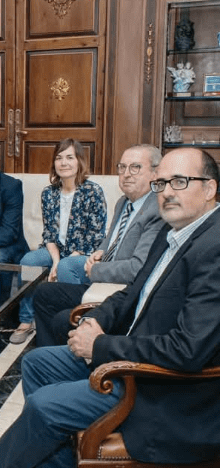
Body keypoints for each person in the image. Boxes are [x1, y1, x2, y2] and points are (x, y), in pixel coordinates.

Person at [0, 147, 220, 468]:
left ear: (209, 188)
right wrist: (94, 320)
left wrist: (100, 346)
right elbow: (132, 294)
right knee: (37, 362)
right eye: (161, 183)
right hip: (135, 362)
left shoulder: (213, 248)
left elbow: (188, 350)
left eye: (179, 182)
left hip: (162, 389)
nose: (166, 192)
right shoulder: (174, 232)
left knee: (45, 405)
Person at [34, 145, 164, 347]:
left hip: (123, 290)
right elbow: (110, 239)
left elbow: (138, 268)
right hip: (105, 272)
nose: (126, 174)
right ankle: (47, 353)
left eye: (135, 167)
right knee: (43, 292)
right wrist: (100, 252)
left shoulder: (157, 210)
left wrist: (96, 269)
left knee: (61, 317)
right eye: (122, 167)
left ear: (156, 173)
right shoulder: (124, 202)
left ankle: (60, 353)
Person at [11, 138, 106, 344]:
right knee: (29, 261)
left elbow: (95, 235)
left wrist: (64, 261)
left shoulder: (93, 191)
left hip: (85, 252)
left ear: (79, 161)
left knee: (66, 266)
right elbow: (49, 234)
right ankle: (26, 320)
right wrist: (55, 261)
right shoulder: (49, 193)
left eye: (69, 157)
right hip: (56, 249)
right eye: (59, 158)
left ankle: (69, 323)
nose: (64, 163)